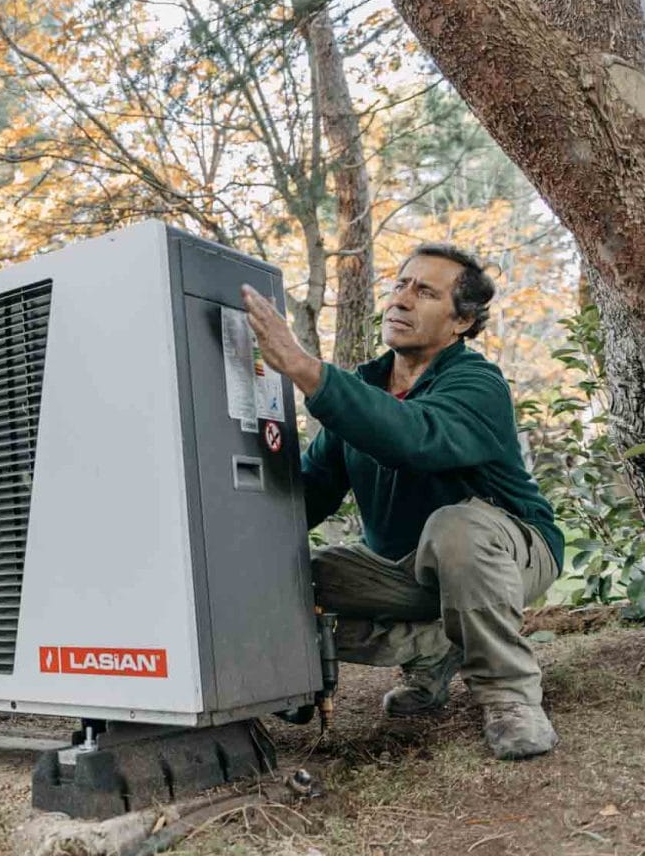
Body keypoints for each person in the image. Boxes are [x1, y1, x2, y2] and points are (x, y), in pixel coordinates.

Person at [240, 244, 563, 760]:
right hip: (404, 573)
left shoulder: (477, 383)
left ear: (461, 321)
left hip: (508, 554)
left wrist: (305, 369)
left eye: (426, 292)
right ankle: (429, 653)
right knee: (294, 573)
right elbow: (307, 494)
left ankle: (509, 697)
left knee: (455, 528)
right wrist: (224, 529)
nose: (402, 301)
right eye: (401, 286)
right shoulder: (366, 387)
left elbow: (416, 438)